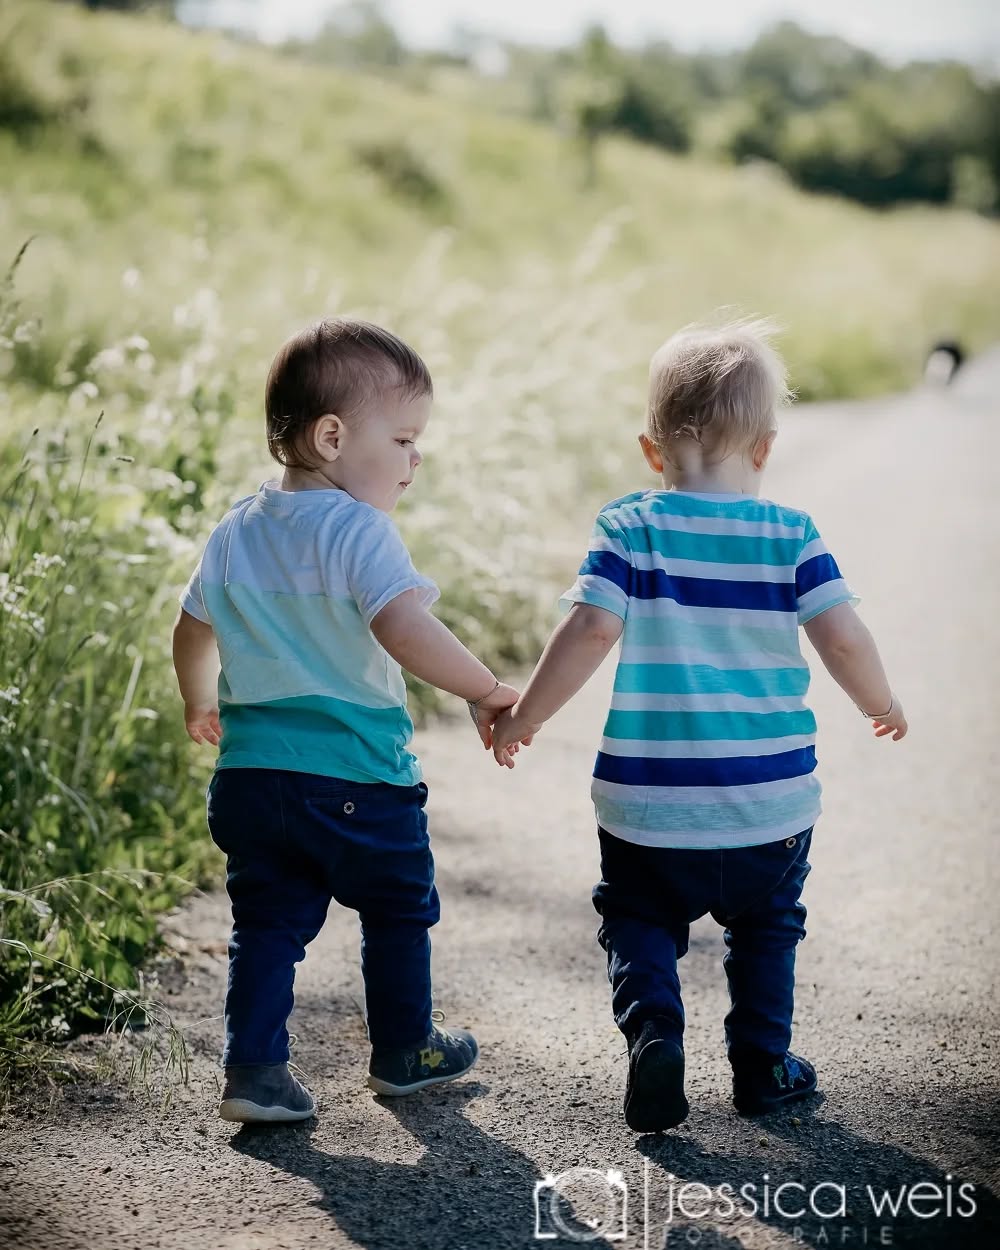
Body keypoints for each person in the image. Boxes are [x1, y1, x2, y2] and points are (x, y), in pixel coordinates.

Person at [491, 319, 908, 1132]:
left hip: (650, 806)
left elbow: (589, 630)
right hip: (769, 807)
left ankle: (653, 1031)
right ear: (765, 448)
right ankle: (762, 1066)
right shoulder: (793, 534)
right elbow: (843, 636)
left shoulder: (628, 526)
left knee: (639, 918)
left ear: (651, 451)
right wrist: (879, 703)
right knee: (767, 932)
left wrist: (525, 717)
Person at [172, 318, 519, 1124]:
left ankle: (253, 1070)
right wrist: (483, 687)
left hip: (253, 780)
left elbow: (191, 631)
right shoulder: (361, 532)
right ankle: (404, 1049)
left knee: (266, 925)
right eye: (402, 438)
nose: (415, 457)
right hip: (359, 778)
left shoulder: (232, 532)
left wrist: (197, 699)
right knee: (397, 909)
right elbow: (405, 628)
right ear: (332, 437)